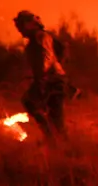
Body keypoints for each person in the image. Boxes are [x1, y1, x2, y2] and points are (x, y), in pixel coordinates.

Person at [13, 10, 67, 140]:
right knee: (53, 113)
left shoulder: (41, 36)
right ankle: (57, 141)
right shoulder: (35, 39)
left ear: (31, 24)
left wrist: (41, 75)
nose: (20, 30)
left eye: (21, 25)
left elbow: (47, 56)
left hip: (51, 79)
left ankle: (52, 138)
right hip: (52, 78)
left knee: (31, 102)